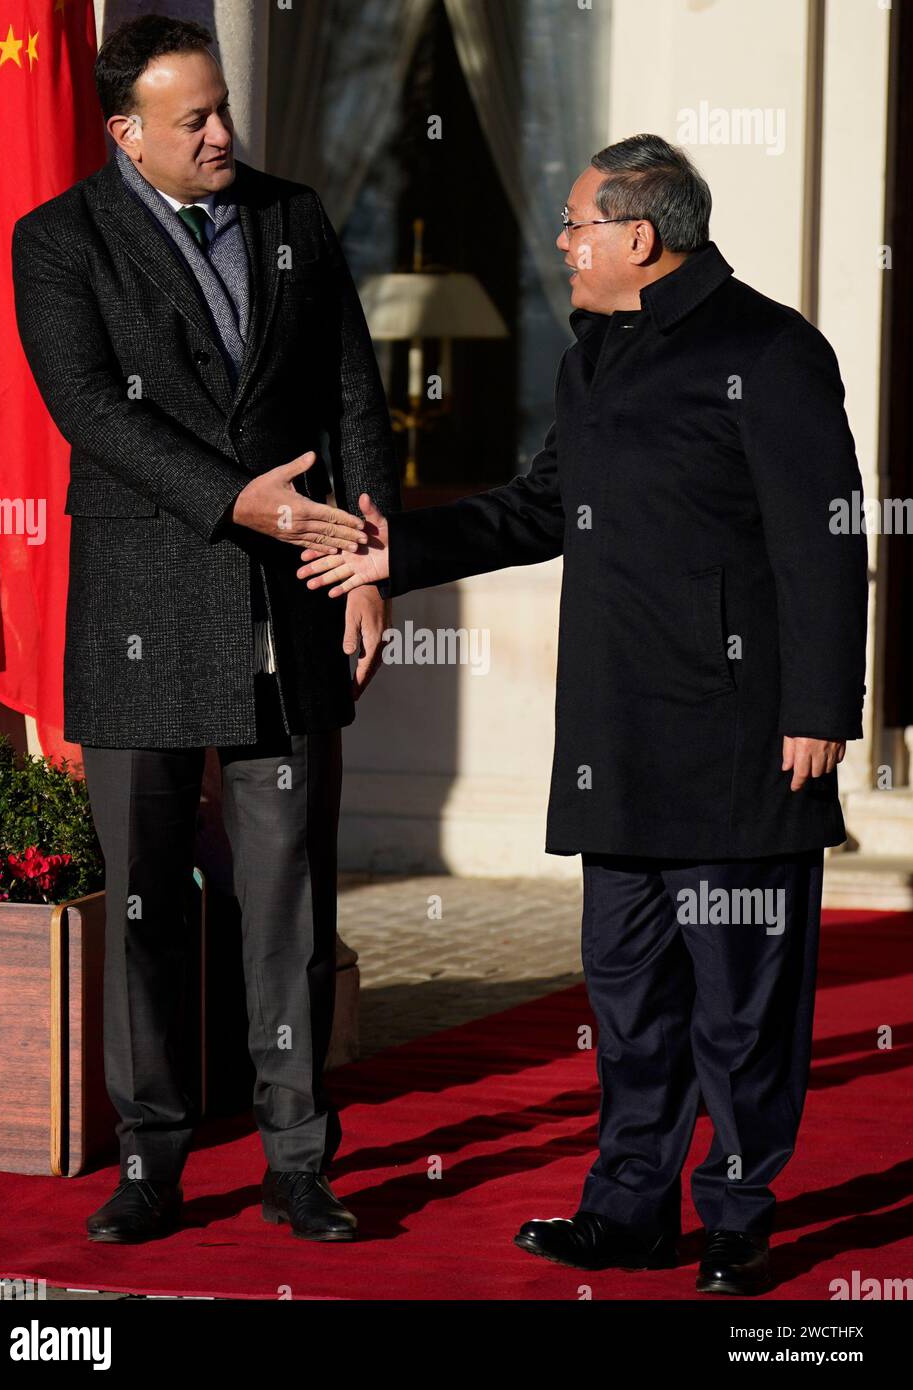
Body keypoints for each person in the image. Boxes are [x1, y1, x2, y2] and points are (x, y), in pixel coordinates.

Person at [295, 134, 869, 1295]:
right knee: (627, 996)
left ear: (635, 237)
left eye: (573, 225)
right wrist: (391, 549)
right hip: (616, 739)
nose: (559, 246)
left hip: (741, 741)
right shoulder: (592, 354)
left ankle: (739, 1217)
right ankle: (627, 1211)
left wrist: (819, 708)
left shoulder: (769, 347)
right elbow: (538, 506)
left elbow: (824, 543)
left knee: (738, 1006)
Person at [11, 14, 400, 1245]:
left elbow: (349, 390)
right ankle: (153, 1157)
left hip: (287, 611)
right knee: (145, 910)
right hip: (140, 610)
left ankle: (297, 1160)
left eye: (224, 109)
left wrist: (364, 561)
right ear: (126, 131)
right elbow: (85, 407)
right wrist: (240, 500)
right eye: (195, 120)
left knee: (287, 901)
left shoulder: (293, 216)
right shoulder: (57, 239)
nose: (223, 133)